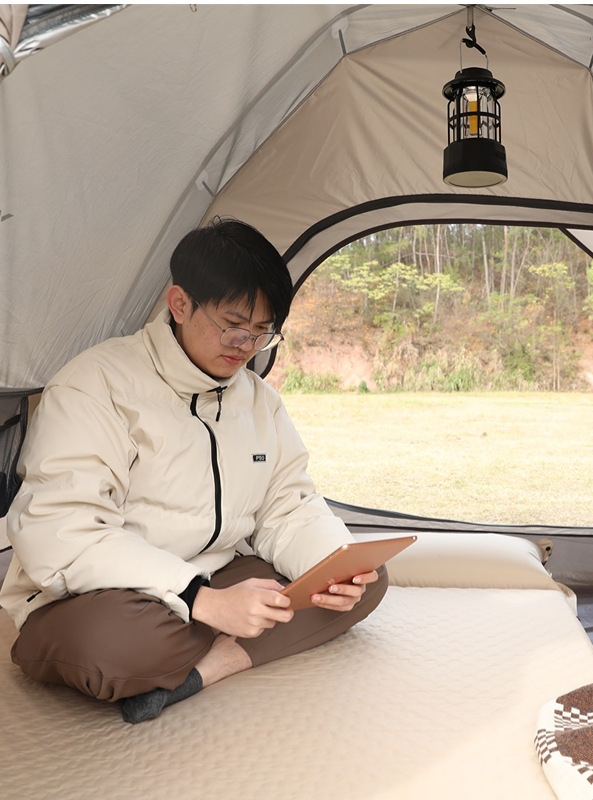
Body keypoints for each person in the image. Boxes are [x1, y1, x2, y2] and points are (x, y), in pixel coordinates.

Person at [0, 218, 388, 723]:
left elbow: (288, 507)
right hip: (94, 598)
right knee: (115, 647)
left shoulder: (259, 402)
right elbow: (64, 534)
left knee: (362, 578)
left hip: (214, 574)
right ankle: (218, 639)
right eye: (233, 325)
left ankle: (209, 667)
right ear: (179, 304)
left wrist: (330, 563)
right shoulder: (94, 387)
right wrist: (199, 599)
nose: (245, 346)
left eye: (263, 333)